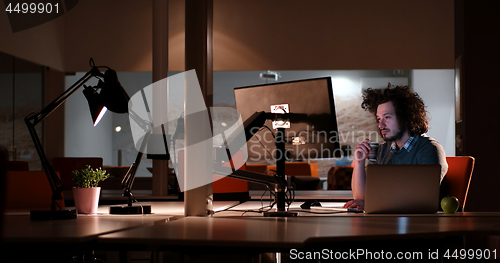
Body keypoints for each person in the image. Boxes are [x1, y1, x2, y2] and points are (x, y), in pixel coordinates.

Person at [344, 84, 448, 210]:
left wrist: (375, 204)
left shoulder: (429, 149)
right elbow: (361, 199)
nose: (381, 125)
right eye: (379, 118)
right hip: (389, 221)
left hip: (419, 224)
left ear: (405, 117)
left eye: (387, 117)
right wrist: (359, 161)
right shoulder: (383, 150)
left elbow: (422, 199)